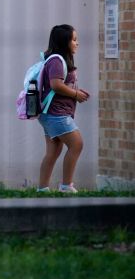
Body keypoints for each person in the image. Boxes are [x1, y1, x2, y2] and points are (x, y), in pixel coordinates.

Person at [37, 24, 89, 194]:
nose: (77, 43)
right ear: (64, 41)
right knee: (77, 144)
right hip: (55, 113)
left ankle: (42, 189)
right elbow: (56, 85)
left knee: (53, 151)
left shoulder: (58, 60)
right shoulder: (57, 61)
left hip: (51, 113)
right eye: (74, 40)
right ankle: (66, 186)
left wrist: (77, 93)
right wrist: (75, 94)